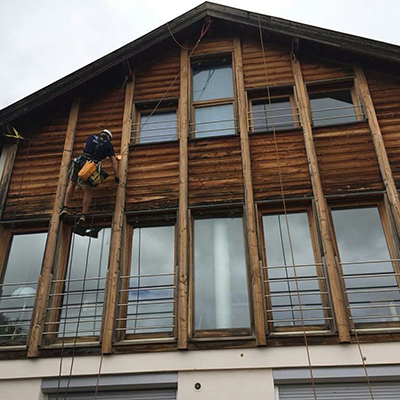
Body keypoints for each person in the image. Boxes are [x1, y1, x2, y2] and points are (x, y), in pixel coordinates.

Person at [60, 129, 120, 225]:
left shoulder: (91, 136)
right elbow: (113, 162)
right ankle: (83, 214)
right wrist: (116, 176)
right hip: (92, 166)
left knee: (72, 183)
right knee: (88, 189)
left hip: (81, 161)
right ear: (109, 137)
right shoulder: (108, 145)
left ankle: (65, 207)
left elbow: (85, 147)